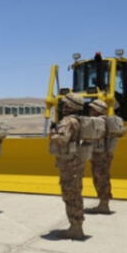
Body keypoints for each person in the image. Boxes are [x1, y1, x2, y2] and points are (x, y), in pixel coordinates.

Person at [49, 93, 88, 239]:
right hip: (76, 161)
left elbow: (62, 139)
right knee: (76, 193)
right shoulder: (78, 120)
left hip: (69, 163)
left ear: (70, 106)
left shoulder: (67, 121)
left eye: (65, 104)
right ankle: (77, 225)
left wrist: (53, 132)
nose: (63, 106)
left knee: (70, 195)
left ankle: (75, 228)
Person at [87, 100, 124, 214]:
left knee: (100, 178)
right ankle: (104, 203)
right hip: (107, 153)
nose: (90, 111)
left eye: (92, 109)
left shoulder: (97, 121)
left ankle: (104, 204)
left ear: (97, 110)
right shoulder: (110, 121)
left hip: (99, 153)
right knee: (103, 177)